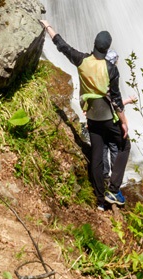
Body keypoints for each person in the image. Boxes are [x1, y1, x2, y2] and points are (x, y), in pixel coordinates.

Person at [41, 19, 130, 212]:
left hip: (91, 116)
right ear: (107, 49)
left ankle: (100, 200)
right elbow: (116, 99)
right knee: (124, 145)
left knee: (97, 157)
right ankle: (114, 190)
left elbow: (62, 46)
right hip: (107, 117)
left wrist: (47, 26)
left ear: (94, 44)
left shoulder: (81, 60)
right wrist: (124, 122)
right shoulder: (111, 68)